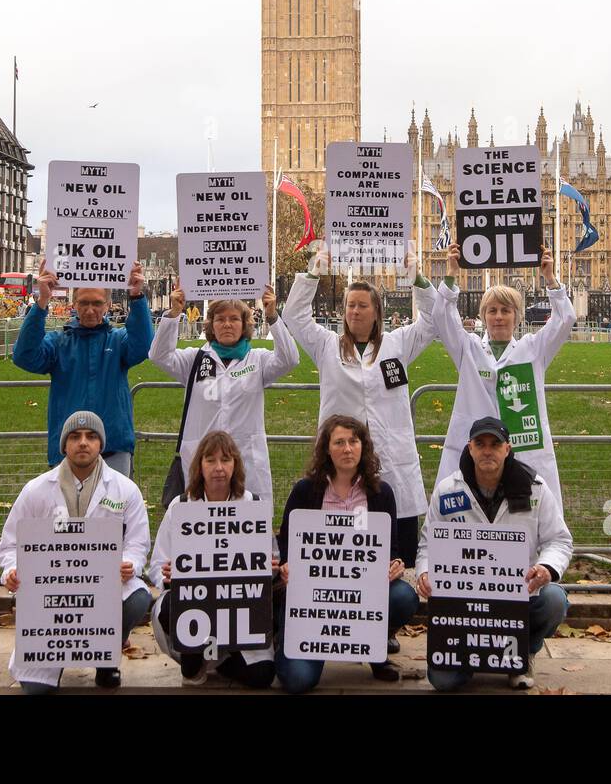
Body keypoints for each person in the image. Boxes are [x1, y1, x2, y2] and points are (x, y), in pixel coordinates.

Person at [282, 249, 437, 572]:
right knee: (343, 539)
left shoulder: (398, 344)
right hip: (343, 459)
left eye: (362, 305)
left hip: (392, 455)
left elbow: (434, 322)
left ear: (376, 311)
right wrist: (313, 274)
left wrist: (418, 279)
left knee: (400, 546)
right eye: (350, 305)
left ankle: (398, 609)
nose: (354, 311)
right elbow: (295, 318)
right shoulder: (326, 345)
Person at [0, 410, 152, 694]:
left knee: (138, 598)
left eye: (91, 437)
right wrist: (11, 571)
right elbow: (9, 545)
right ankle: (52, 660)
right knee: (36, 690)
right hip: (52, 598)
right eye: (75, 437)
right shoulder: (36, 491)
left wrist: (130, 562)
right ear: (64, 445)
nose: (83, 443)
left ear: (101, 445)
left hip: (105, 587)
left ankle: (107, 657)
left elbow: (138, 542)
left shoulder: (125, 490)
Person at [417, 416, 573, 691]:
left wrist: (546, 568)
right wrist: (425, 572)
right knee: (442, 681)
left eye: (495, 444)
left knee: (554, 600)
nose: (487, 450)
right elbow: (428, 543)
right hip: (464, 600)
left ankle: (524, 651)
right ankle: (478, 655)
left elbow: (559, 540)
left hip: (520, 595)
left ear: (507, 449)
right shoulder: (447, 491)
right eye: (480, 443)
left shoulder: (534, 489)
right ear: (470, 448)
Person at [274, 416, 419, 692]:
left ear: (363, 447)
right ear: (326, 449)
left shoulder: (380, 493)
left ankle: (373, 647)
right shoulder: (306, 491)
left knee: (403, 596)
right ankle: (285, 637)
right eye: (339, 442)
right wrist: (286, 565)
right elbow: (285, 543)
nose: (347, 449)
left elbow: (391, 549)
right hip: (311, 598)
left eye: (353, 441)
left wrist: (396, 564)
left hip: (363, 594)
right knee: (298, 680)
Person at [428, 243, 576, 506]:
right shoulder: (468, 348)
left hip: (522, 445)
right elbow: (442, 316)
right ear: (483, 316)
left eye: (506, 310)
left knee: (526, 511)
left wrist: (551, 279)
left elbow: (565, 320)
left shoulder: (533, 349)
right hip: (477, 443)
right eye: (492, 311)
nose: (498, 317)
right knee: (469, 508)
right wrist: (451, 271)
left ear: (516, 316)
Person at [148, 430, 277, 688]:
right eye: (210, 460)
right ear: (199, 466)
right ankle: (195, 659)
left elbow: (272, 559)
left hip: (239, 607)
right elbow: (156, 564)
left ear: (235, 465)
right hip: (193, 606)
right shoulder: (181, 505)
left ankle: (218, 658)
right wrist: (166, 574)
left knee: (262, 676)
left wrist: (270, 567)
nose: (219, 468)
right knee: (171, 605)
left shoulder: (252, 505)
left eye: (226, 460)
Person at [150, 285, 297, 501]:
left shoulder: (258, 359)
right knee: (201, 520)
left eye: (234, 319)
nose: (227, 324)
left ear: (244, 324)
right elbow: (159, 355)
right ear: (211, 325)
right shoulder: (195, 359)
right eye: (220, 319)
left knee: (248, 522)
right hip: (204, 459)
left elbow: (290, 359)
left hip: (246, 458)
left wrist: (273, 316)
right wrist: (174, 313)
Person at [12, 258, 154, 478]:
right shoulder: (59, 343)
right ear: (74, 304)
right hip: (68, 448)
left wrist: (137, 296)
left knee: (113, 511)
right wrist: (42, 303)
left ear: (107, 306)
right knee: (67, 512)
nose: (89, 310)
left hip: (113, 448)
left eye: (97, 303)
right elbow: (24, 356)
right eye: (84, 303)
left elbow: (144, 345)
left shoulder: (117, 341)